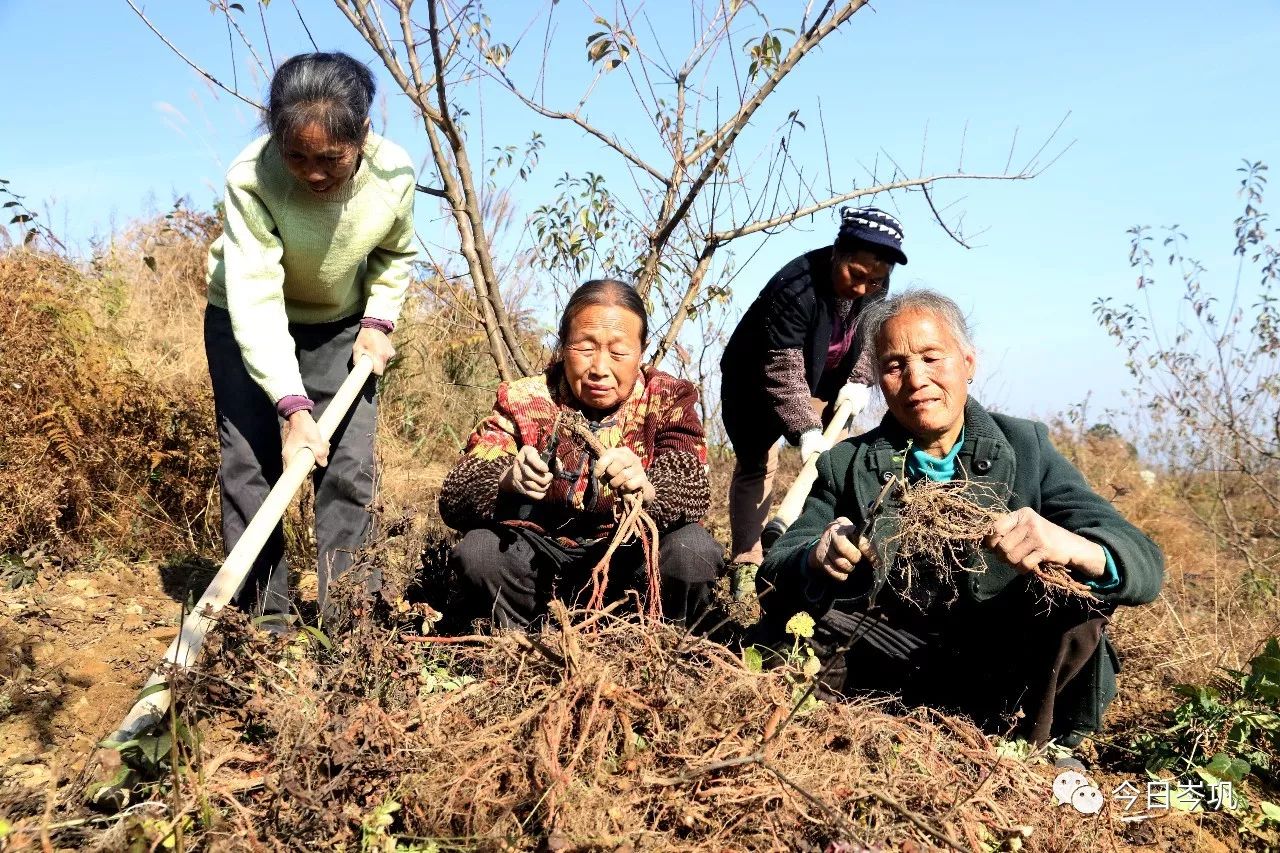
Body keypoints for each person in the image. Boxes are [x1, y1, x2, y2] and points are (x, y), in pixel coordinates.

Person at [755, 289, 1164, 746]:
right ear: (879, 380)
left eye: (932, 358)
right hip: (883, 668)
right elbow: (774, 570)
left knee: (1079, 595)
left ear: (968, 363)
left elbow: (1143, 563)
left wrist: (1075, 547)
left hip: (1004, 674)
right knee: (806, 618)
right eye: (895, 365)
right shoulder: (847, 463)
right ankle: (838, 734)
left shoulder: (1027, 447)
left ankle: (1049, 747)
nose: (915, 379)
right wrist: (815, 555)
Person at [204, 52, 417, 622]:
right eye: (297, 156)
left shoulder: (393, 174)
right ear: (275, 137)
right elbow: (255, 295)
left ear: (363, 137)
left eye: (330, 158)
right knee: (250, 464)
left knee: (347, 467)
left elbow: (395, 254)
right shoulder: (251, 178)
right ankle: (260, 625)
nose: (314, 172)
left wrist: (377, 322)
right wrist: (293, 406)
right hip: (243, 318)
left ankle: (349, 625)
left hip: (341, 324)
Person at [439, 279, 722, 629]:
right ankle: (517, 646)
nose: (600, 368)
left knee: (693, 551)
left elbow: (690, 483)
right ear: (563, 345)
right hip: (541, 557)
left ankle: (663, 644)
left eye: (619, 352)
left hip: (629, 558)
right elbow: (456, 494)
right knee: (480, 552)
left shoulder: (667, 398)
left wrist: (648, 487)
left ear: (641, 351)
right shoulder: (525, 399)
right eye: (585, 348)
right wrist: (506, 479)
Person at [720, 206, 907, 594]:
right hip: (755, 380)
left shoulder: (875, 284)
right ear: (839, 250)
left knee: (833, 460)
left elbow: (870, 335)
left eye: (875, 281)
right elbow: (782, 369)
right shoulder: (796, 285)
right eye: (856, 275)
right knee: (759, 462)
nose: (863, 288)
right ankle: (747, 562)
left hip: (823, 377)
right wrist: (805, 428)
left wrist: (858, 380)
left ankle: (798, 546)